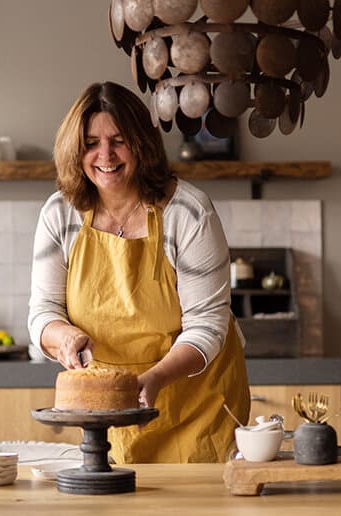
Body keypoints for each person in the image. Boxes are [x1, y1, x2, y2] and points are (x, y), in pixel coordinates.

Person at [28, 81, 250, 463]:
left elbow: (208, 326)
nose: (105, 155)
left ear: (142, 143)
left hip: (197, 408)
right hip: (109, 413)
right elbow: (43, 312)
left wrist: (156, 378)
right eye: (91, 143)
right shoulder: (59, 214)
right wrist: (64, 338)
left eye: (119, 140)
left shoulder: (189, 213)